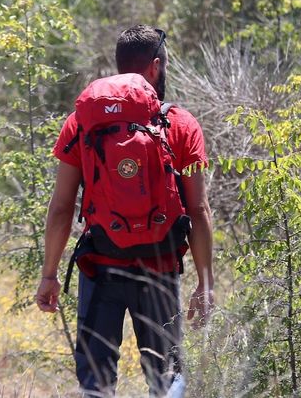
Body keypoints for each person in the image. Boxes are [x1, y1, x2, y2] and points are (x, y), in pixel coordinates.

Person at [34, 25, 214, 397]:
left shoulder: (81, 123)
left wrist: (49, 274)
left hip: (101, 267)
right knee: (167, 380)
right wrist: (205, 284)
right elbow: (198, 209)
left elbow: (62, 207)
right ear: (155, 67)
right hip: (159, 268)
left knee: (97, 384)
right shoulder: (180, 124)